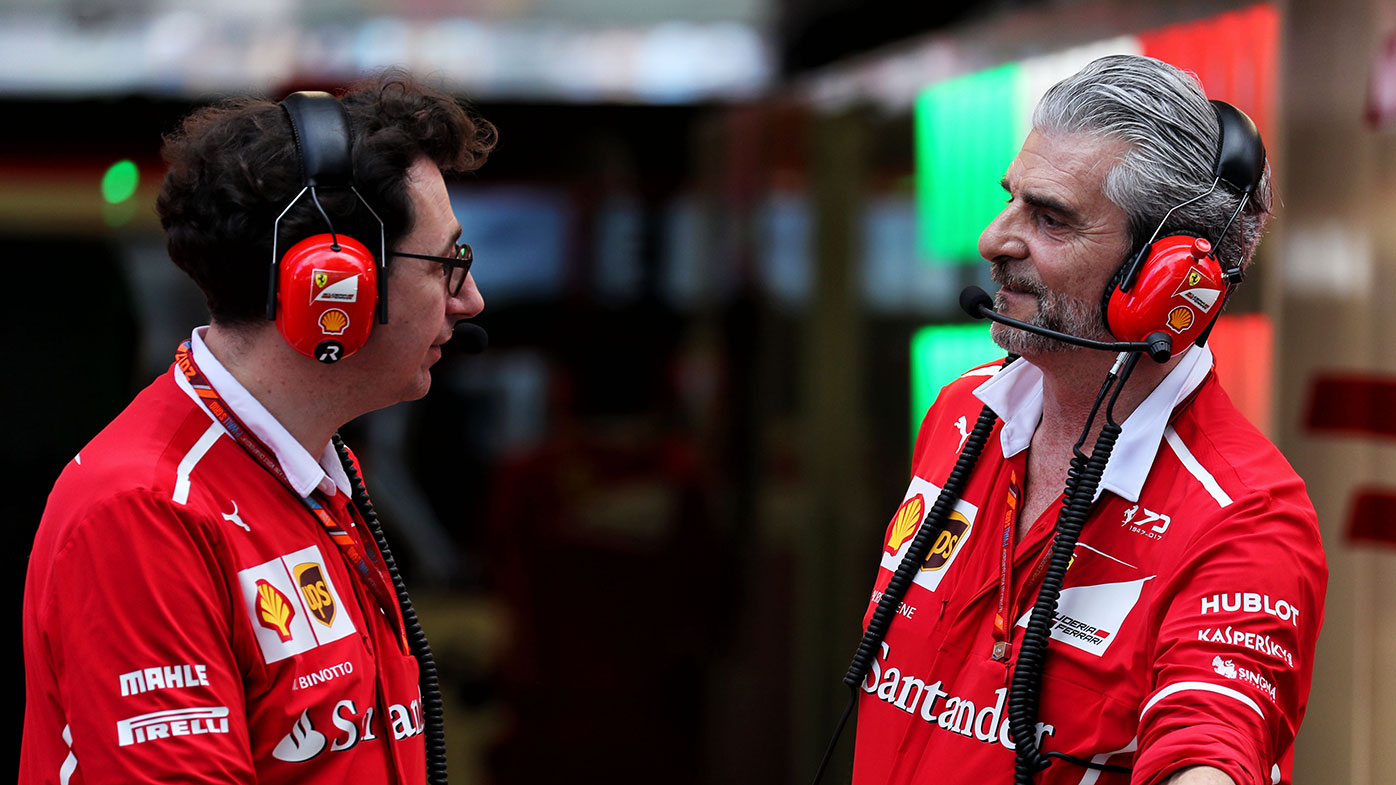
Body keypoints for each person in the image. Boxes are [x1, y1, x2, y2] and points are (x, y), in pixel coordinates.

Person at [852, 56, 1326, 785]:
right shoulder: (960, 412)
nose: (993, 239)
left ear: (1166, 278)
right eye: (1010, 200)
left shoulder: (1247, 516)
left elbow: (1210, 741)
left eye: (1049, 217)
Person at [21, 71, 495, 784]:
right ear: (331, 282)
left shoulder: (311, 469)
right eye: (446, 263)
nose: (471, 299)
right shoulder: (149, 510)